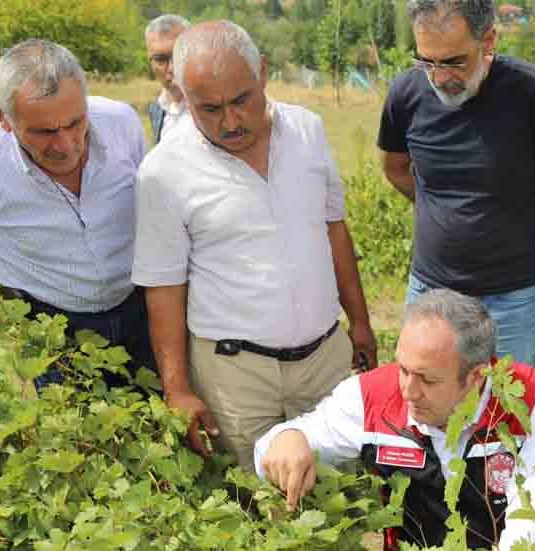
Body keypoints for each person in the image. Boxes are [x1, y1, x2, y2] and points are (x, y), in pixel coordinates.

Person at [133, 21, 377, 472]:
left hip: (325, 360)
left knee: (344, 498)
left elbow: (333, 229)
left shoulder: (307, 131)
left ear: (262, 73)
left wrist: (359, 322)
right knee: (259, 513)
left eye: (241, 100)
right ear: (183, 96)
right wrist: (178, 389)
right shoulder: (163, 172)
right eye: (209, 109)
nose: (230, 122)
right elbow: (163, 287)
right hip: (235, 377)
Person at [255, 288, 535, 551]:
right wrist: (288, 437)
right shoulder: (371, 397)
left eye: (427, 379)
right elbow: (272, 449)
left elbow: (533, 528)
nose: (408, 390)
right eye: (404, 369)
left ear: (476, 377)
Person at [377, 0, 535, 366]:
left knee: (506, 416)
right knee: (427, 409)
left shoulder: (532, 92)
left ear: (488, 41)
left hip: (509, 301)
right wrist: (438, 210)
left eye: (453, 62)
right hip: (430, 291)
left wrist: (522, 218)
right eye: (426, 61)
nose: (439, 78)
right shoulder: (406, 93)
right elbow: (395, 168)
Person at [0, 38, 157, 385]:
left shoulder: (122, 123)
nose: (65, 145)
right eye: (44, 132)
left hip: (139, 307)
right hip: (48, 324)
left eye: (76, 123)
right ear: (3, 117)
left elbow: (146, 198)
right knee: (71, 433)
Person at [145, 14, 191, 145]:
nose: (172, 68)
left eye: (179, 54)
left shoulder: (218, 108)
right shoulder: (158, 109)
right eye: (160, 59)